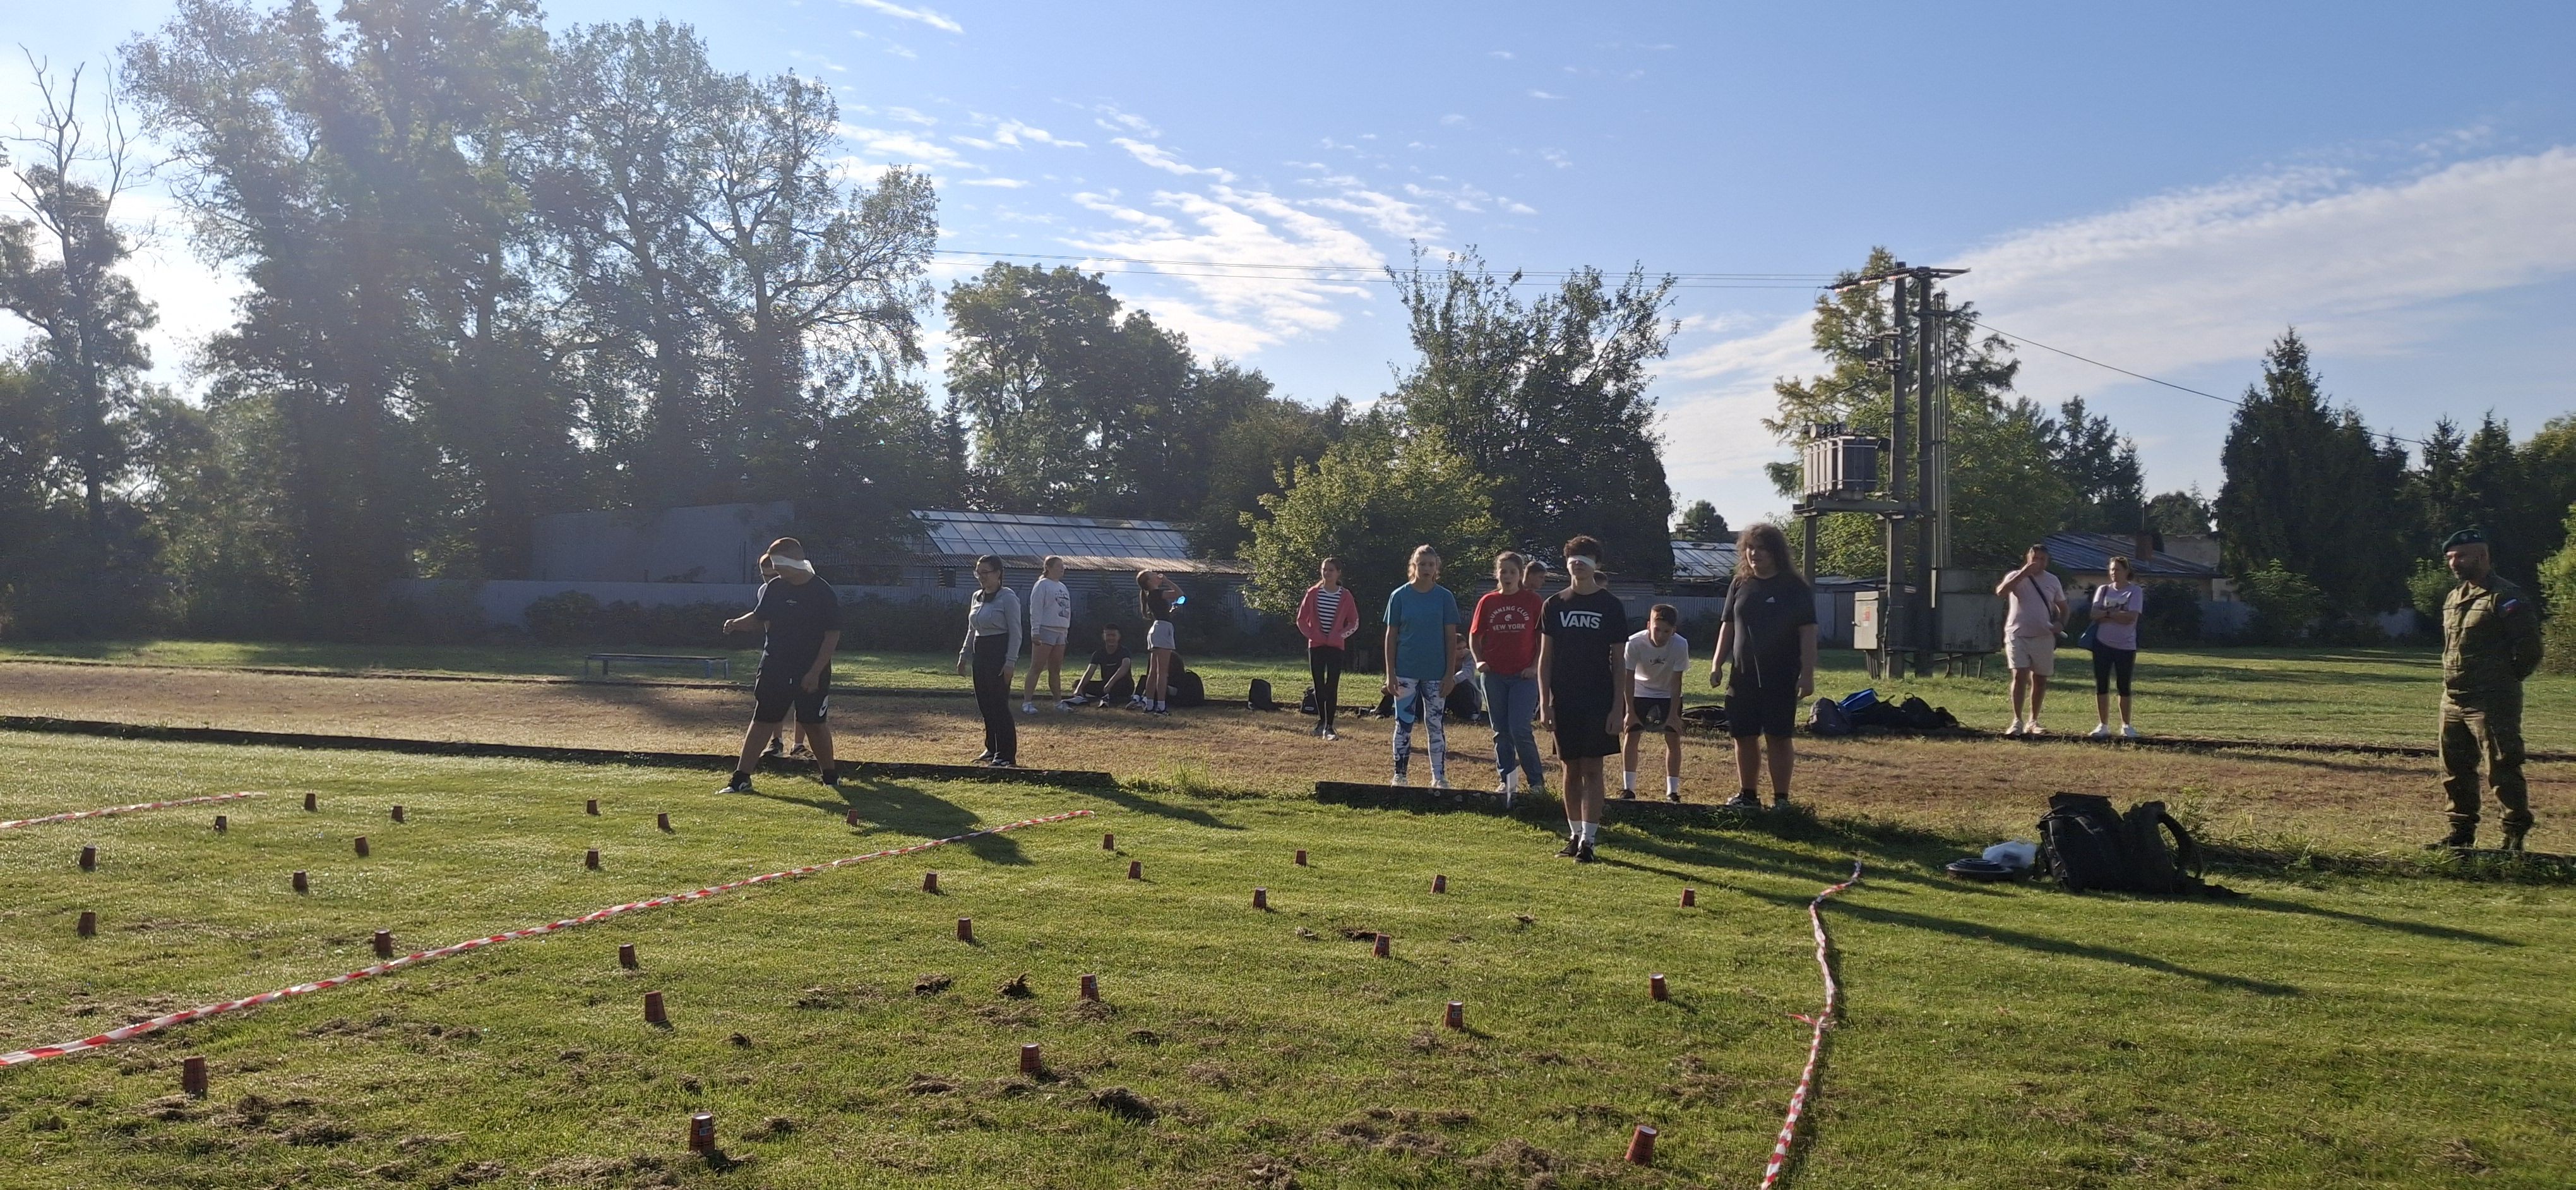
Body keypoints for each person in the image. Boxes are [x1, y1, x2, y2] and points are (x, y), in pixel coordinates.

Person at [2431, 528, 2545, 851]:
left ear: (2481, 556)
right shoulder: (2454, 597)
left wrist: (2505, 681)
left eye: (2460, 556)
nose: (2454, 563)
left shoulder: (2505, 597)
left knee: (2502, 767)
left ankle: (2513, 836)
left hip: (2491, 700)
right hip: (2454, 698)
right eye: (2450, 557)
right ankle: (2461, 834)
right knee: (2455, 769)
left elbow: (2530, 648)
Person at [718, 538, 840, 792]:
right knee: (763, 719)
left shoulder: (822, 592)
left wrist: (815, 672)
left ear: (792, 562)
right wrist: (737, 624)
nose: (774, 571)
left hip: (810, 669)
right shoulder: (775, 588)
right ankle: (741, 779)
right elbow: (759, 617)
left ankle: (830, 778)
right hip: (775, 666)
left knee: (814, 723)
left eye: (778, 565)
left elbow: (832, 636)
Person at [1708, 524, 1816, 810]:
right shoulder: (1739, 584)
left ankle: (1781, 800)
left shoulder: (1794, 587)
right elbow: (1728, 627)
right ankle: (1748, 796)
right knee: (1744, 736)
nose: (1754, 554)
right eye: (1750, 548)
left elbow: (1808, 632)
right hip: (1742, 677)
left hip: (1781, 677)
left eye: (1762, 548)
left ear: (1775, 552)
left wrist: (1807, 674)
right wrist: (1717, 663)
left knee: (1778, 737)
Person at [1537, 536, 1629, 862]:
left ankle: (1590, 841)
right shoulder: (1554, 605)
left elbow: (1619, 662)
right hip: (1564, 699)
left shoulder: (1611, 606)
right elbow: (1545, 659)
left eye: (1586, 557)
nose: (1578, 562)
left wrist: (1618, 707)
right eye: (1573, 557)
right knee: (1570, 768)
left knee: (1592, 768)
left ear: (1597, 564)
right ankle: (1574, 835)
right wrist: (1545, 702)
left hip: (1598, 699)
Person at [1383, 544, 1465, 788]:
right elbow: (1391, 636)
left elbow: (1451, 638)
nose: (1427, 569)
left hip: (1436, 673)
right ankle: (1400, 774)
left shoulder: (1445, 597)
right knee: (1403, 723)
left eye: (1431, 564)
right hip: (1405, 671)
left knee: (1435, 725)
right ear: (1414, 566)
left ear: (1437, 567)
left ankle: (1439, 776)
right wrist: (1390, 674)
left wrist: (1450, 674)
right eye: (1422, 564)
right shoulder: (1399, 596)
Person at [1472, 551, 1546, 800]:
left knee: (1520, 729)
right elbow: (1475, 636)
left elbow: (1541, 638)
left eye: (1512, 572)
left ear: (1520, 575)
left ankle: (1536, 784)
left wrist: (1534, 666)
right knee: (1501, 731)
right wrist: (1479, 660)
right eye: (1503, 571)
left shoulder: (1533, 601)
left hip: (1523, 676)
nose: (1507, 576)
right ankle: (1507, 782)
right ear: (1497, 574)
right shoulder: (1488, 601)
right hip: (1494, 676)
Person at [957, 555, 1023, 767]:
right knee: (985, 704)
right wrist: (964, 654)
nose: (981, 577)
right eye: (978, 573)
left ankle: (1006, 754)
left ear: (998, 573)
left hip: (998, 652)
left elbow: (1016, 632)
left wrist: (1010, 662)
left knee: (999, 704)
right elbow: (972, 628)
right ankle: (991, 747)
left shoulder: (1008, 598)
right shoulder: (977, 596)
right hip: (981, 652)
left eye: (986, 572)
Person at [1995, 543, 2068, 736]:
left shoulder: (2052, 580)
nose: (2038, 562)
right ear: (2028, 558)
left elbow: (2063, 608)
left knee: (2040, 678)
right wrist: (2023, 574)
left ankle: (2033, 721)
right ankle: (2017, 721)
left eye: (2042, 559)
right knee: (2020, 675)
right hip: (2017, 634)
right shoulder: (2015, 576)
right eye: (2035, 558)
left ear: (2048, 561)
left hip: (2043, 636)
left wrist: (2060, 624)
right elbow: (2001, 592)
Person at [1623, 603, 1691, 803]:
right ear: (1648, 625)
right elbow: (1628, 678)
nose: (1660, 636)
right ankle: (1628, 789)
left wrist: (1673, 715)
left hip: (1667, 693)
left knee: (1673, 737)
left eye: (1666, 632)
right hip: (1640, 690)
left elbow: (1677, 682)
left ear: (1674, 631)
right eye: (1657, 629)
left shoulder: (1680, 645)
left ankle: (1672, 791)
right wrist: (1630, 711)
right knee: (1631, 735)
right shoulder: (1634, 643)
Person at [1296, 556, 1360, 740]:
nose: (1327, 573)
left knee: (1332, 685)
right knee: (1319, 685)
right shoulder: (1313, 593)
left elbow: (1354, 622)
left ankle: (1330, 726)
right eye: (1325, 569)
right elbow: (1301, 620)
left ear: (1338, 573)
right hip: (1316, 646)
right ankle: (1322, 722)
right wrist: (1313, 635)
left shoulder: (1345, 596)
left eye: (1331, 570)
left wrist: (1339, 636)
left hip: (1336, 647)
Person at [2087, 556, 2145, 740]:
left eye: (2117, 569)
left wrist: (2107, 614)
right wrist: (2115, 614)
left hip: (2125, 645)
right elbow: (2094, 614)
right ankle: (2103, 725)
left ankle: (2126, 725)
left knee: (2124, 685)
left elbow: (2131, 617)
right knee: (2102, 683)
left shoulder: (2135, 591)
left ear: (2127, 571)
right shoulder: (2103, 590)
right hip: (2102, 643)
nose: (2114, 573)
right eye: (2112, 569)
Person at [1022, 555, 1073, 714]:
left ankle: (1058, 703)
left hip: (1061, 631)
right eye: (1059, 566)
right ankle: (1027, 703)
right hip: (1046, 630)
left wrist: (1066, 631)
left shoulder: (1063, 587)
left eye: (1063, 566)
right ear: (1048, 568)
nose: (1062, 569)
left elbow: (1067, 611)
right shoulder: (1042, 585)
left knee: (1055, 669)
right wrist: (1035, 631)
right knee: (1037, 667)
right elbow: (1036, 609)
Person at [1136, 570, 1184, 715]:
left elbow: (1163, 614)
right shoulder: (1157, 593)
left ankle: (1150, 704)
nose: (1156, 575)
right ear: (1149, 582)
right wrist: (1167, 580)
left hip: (1157, 629)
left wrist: (1171, 611)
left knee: (1153, 672)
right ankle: (1161, 707)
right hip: (1163, 630)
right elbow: (1180, 594)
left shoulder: (1152, 596)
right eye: (1153, 575)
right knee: (1163, 673)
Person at [1066, 624, 1136, 707]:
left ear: (1119, 637)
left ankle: (1109, 699)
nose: (1111, 638)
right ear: (1103, 636)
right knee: (1077, 683)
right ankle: (1081, 698)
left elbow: (1125, 667)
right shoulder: (1099, 653)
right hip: (1106, 686)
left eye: (1113, 635)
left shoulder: (1124, 651)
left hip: (1123, 686)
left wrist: (1110, 684)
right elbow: (1090, 671)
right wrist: (1079, 688)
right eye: (1108, 635)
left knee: (1120, 685)